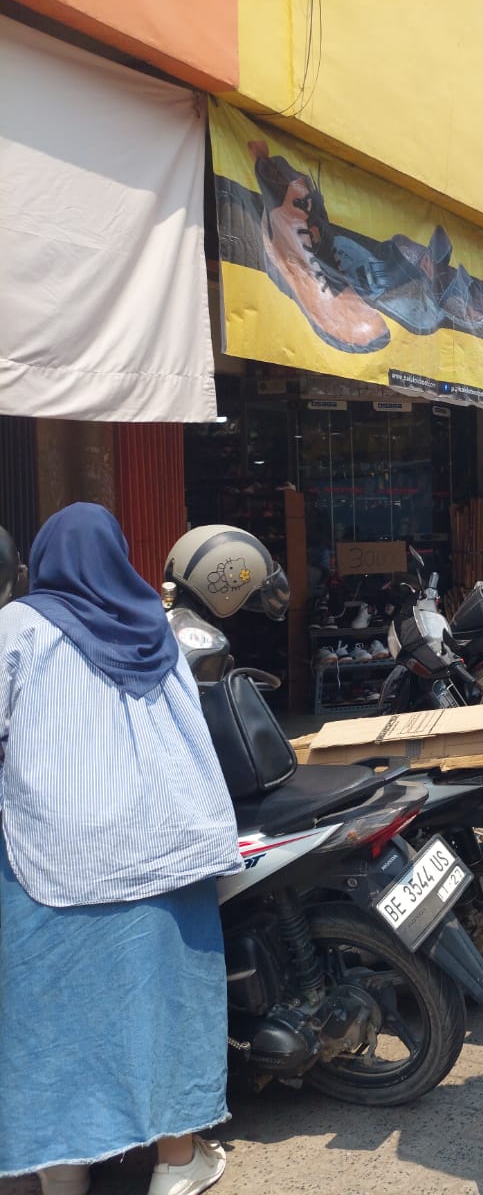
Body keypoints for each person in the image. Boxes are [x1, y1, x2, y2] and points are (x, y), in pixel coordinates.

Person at [0, 504, 241, 1195]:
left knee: (53, 1022)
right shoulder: (155, 627)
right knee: (168, 1016)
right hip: (167, 850)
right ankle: (176, 1164)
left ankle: (64, 1173)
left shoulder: (17, 625)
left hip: (60, 856)